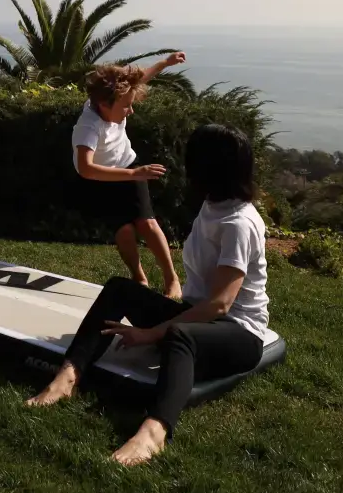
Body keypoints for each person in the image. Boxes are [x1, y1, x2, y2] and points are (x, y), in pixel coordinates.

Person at [29, 122, 277, 466]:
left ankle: (154, 432)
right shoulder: (214, 205)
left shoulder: (239, 223)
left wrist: (151, 333)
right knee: (119, 289)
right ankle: (67, 377)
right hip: (196, 316)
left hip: (237, 333)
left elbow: (220, 304)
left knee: (179, 335)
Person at [71, 56, 189, 289]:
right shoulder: (89, 126)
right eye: (126, 106)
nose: (131, 111)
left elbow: (138, 78)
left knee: (147, 223)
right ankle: (139, 277)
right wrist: (135, 175)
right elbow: (86, 168)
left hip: (127, 165)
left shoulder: (112, 96)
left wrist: (165, 63)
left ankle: (171, 279)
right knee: (123, 230)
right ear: (104, 105)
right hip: (100, 177)